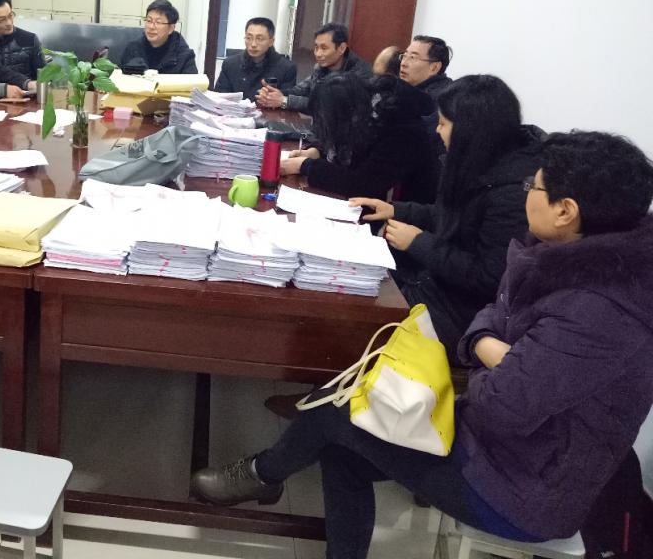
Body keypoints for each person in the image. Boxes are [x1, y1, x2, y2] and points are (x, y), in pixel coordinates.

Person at [192, 129, 653, 559]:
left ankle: (263, 473)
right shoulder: (562, 256)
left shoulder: (599, 311)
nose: (525, 193)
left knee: (337, 411)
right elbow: (491, 313)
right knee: (342, 432)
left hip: (522, 487)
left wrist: (489, 353)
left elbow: (501, 406)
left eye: (533, 186)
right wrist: (489, 346)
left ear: (565, 210)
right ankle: (275, 483)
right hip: (500, 447)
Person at [351, 75, 543, 356]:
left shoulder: (513, 192)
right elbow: (453, 215)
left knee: (361, 312)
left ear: (470, 129)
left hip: (467, 313)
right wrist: (397, 209)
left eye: (443, 123)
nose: (437, 130)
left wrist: (418, 242)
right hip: (440, 284)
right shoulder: (483, 160)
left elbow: (490, 277)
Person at [279, 73, 436, 201]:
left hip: (405, 214)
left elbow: (363, 184)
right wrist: (318, 152)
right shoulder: (363, 108)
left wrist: (305, 166)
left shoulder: (401, 129)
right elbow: (345, 140)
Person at [257, 22, 370, 111]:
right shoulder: (321, 67)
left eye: (324, 48)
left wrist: (284, 101)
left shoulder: (358, 73)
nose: (318, 54)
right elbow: (301, 90)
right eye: (316, 47)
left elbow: (329, 105)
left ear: (341, 48)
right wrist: (273, 94)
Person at [213, 17, 297, 101]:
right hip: (233, 109)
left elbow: (284, 102)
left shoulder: (286, 68)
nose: (253, 44)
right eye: (249, 38)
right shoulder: (230, 64)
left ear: (271, 41)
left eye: (259, 39)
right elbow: (219, 98)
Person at [119, 0, 197, 74]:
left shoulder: (184, 56)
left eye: (158, 22)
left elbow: (192, 82)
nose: (151, 27)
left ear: (171, 28)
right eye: (149, 21)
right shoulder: (133, 49)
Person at [0, 0, 46, 80]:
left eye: (10, 15)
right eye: (2, 20)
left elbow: (44, 76)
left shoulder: (30, 39)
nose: (9, 23)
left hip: (26, 87)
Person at [399, 34, 452, 101]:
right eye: (404, 56)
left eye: (413, 57)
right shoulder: (407, 90)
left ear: (434, 67)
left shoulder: (439, 100)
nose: (403, 64)